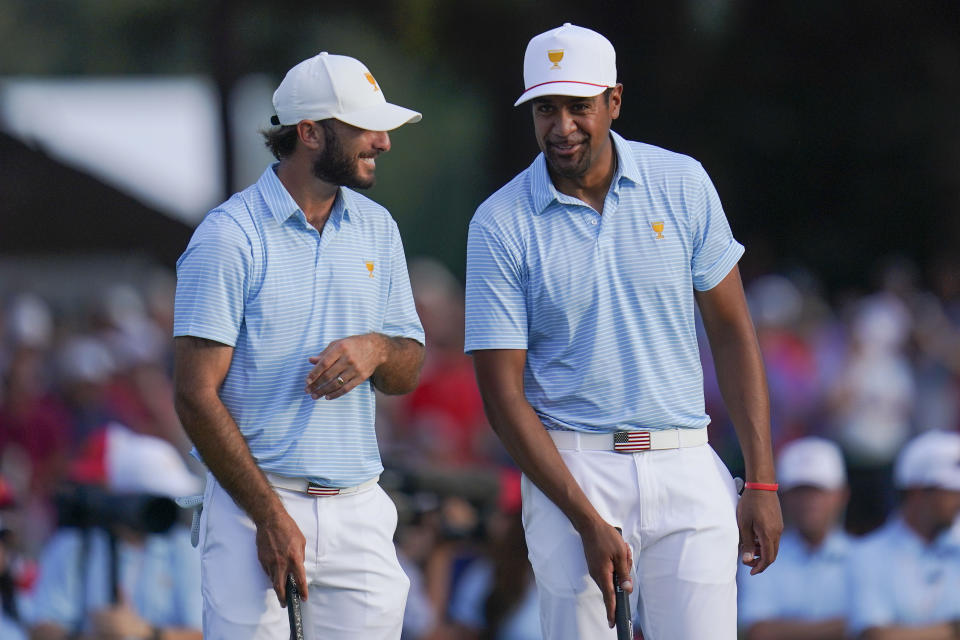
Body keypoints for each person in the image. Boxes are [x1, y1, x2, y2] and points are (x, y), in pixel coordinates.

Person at [464, 23, 783, 639]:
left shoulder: (682, 183)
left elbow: (733, 333)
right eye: (545, 109)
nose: (562, 127)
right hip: (571, 470)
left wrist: (763, 479)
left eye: (578, 107)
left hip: (686, 460)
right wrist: (584, 517)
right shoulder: (499, 222)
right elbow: (502, 398)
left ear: (613, 101)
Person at [173, 51, 425, 640]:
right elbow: (193, 394)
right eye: (365, 126)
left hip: (360, 507)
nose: (383, 141)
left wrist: (377, 350)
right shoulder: (228, 237)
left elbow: (409, 365)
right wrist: (267, 515)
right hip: (249, 508)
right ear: (309, 133)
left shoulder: (379, 228)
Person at [26, 423, 203, 640]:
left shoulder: (184, 546)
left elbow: (206, 632)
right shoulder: (74, 544)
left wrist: (145, 633)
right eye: (159, 501)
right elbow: (42, 626)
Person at [847, 430, 960, 638]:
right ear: (917, 492)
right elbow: (878, 635)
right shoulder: (867, 553)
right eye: (950, 491)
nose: (958, 500)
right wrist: (954, 629)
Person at [738, 437, 852, 639]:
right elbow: (758, 632)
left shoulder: (864, 555)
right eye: (799, 492)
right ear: (782, 498)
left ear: (841, 495)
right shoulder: (759, 555)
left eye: (817, 492)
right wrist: (847, 627)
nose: (808, 502)